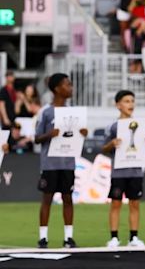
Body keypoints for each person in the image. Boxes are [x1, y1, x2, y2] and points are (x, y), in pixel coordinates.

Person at [34, 73, 88, 249]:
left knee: (67, 198)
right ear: (57, 88)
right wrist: (50, 134)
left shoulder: (74, 112)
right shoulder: (46, 112)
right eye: (67, 84)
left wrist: (83, 134)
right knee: (47, 199)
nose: (71, 87)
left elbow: (75, 137)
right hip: (50, 163)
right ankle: (43, 238)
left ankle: (68, 238)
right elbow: (36, 138)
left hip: (67, 163)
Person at [103, 90, 145, 248]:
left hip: (135, 170)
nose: (130, 104)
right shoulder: (112, 126)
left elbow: (144, 145)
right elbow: (103, 148)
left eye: (132, 100)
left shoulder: (142, 125)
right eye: (126, 101)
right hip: (118, 170)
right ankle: (114, 237)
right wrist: (112, 144)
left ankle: (134, 237)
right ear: (118, 105)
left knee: (135, 204)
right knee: (116, 203)